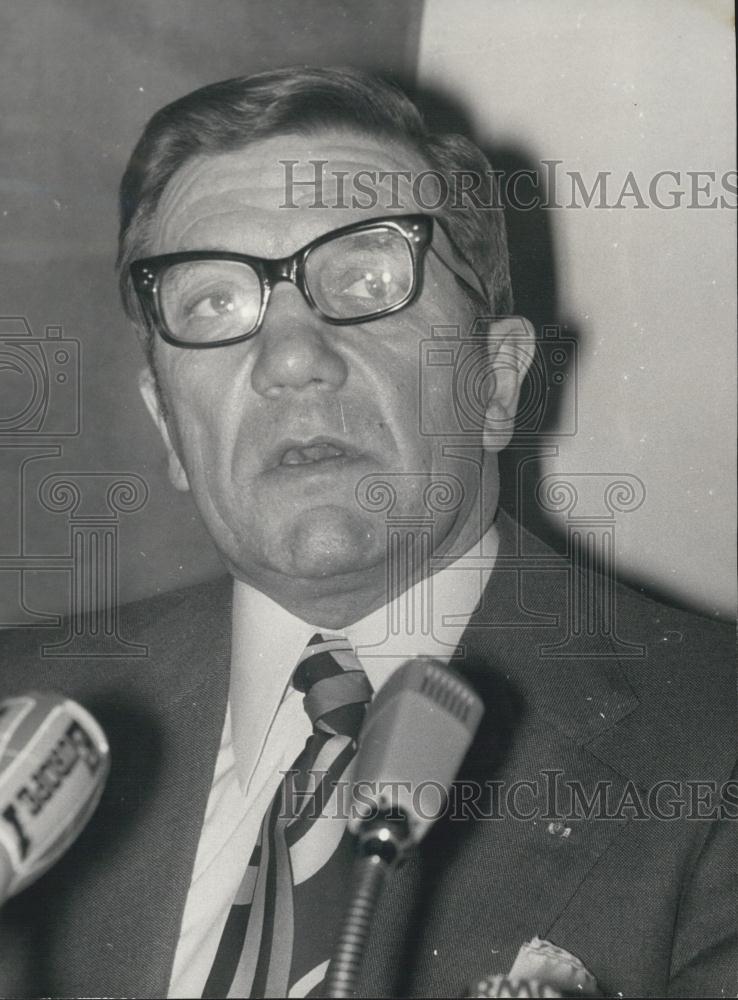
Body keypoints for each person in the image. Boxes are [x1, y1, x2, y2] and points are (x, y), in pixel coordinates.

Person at [0, 67, 734, 999]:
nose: (291, 360)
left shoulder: (714, 746)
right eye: (212, 304)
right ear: (168, 427)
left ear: (498, 382)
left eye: (364, 279)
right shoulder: (24, 727)